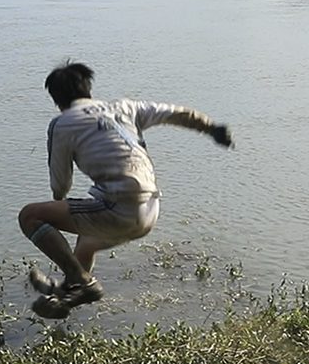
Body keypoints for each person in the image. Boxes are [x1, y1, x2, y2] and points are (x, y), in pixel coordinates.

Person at [18, 62, 233, 319]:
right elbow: (178, 113)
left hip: (119, 209)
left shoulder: (63, 123)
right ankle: (65, 296)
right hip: (150, 212)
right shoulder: (126, 107)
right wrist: (212, 129)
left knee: (30, 216)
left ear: (56, 99)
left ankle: (82, 282)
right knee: (85, 243)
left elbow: (60, 185)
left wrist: (55, 217)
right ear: (88, 88)